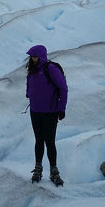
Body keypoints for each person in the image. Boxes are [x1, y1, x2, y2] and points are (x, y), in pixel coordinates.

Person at [25, 45, 68, 186]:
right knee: (38, 140)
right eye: (32, 56)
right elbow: (29, 83)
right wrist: (29, 94)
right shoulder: (32, 69)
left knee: (49, 141)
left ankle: (54, 171)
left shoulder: (51, 69)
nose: (33, 58)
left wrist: (61, 109)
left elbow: (63, 88)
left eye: (35, 56)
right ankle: (38, 169)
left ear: (41, 56)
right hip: (35, 111)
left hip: (50, 112)